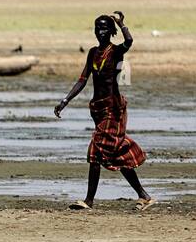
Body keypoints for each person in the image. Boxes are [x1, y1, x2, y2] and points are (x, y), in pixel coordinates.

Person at [53, 11, 153, 210]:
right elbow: (83, 79)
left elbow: (130, 41)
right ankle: (144, 196)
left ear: (112, 31)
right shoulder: (92, 53)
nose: (101, 32)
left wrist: (122, 24)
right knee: (115, 153)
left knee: (95, 150)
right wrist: (65, 100)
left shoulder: (116, 51)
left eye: (105, 28)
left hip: (113, 108)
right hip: (98, 109)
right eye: (98, 28)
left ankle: (89, 201)